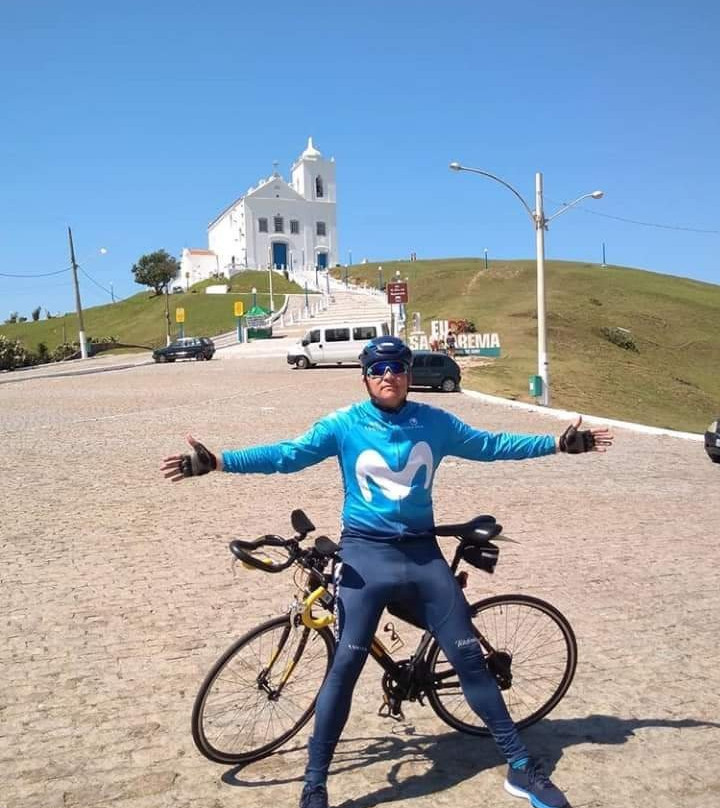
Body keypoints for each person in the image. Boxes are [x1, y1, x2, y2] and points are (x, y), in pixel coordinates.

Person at [162, 336, 613, 808]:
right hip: (364, 557)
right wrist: (218, 462)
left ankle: (521, 768)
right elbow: (287, 455)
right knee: (344, 669)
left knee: (469, 660)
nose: (388, 376)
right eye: (378, 369)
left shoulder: (434, 422)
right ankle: (315, 784)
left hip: (422, 555)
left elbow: (491, 444)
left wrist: (557, 444)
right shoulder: (344, 424)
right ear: (365, 378)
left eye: (397, 367)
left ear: (408, 374)